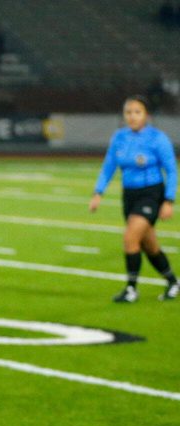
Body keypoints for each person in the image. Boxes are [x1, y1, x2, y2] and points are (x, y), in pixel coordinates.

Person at [89, 95, 179, 303]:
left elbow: (172, 171)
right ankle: (173, 282)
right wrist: (98, 192)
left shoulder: (157, 138)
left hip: (151, 193)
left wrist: (168, 200)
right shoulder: (119, 137)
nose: (132, 116)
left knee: (130, 237)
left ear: (146, 115)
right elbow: (108, 166)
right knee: (149, 245)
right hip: (129, 196)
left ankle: (131, 289)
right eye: (128, 112)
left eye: (137, 112)